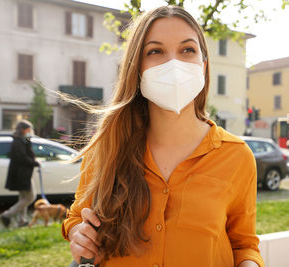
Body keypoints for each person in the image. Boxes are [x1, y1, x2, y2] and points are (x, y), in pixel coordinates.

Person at [62, 6, 264, 267]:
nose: (174, 64)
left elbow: (244, 244)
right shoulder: (108, 147)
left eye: (187, 50)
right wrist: (78, 233)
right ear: (137, 68)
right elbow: (77, 218)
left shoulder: (237, 156)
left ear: (203, 65)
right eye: (155, 51)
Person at [0, 120, 39, 228]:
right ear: (22, 129)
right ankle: (7, 215)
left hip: (23, 173)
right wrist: (35, 163)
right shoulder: (17, 141)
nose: (30, 132)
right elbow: (22, 157)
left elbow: (29, 151)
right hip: (21, 174)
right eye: (28, 129)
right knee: (30, 197)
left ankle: (22, 220)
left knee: (23, 197)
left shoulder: (22, 140)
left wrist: (28, 139)